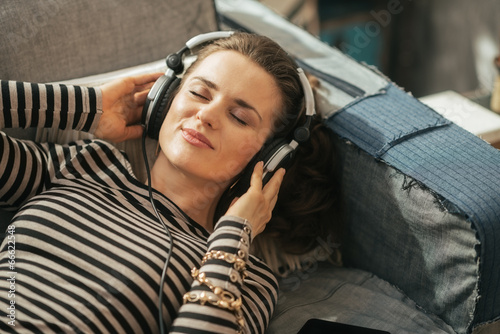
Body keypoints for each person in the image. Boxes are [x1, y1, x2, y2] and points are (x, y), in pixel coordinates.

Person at [0, 32, 340, 333]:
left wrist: (235, 234)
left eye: (239, 117)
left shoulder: (245, 274)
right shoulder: (85, 165)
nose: (205, 116)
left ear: (268, 158)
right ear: (164, 100)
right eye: (199, 93)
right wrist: (88, 107)